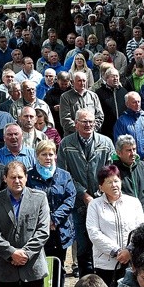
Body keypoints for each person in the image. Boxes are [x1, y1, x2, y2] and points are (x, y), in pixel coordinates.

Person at [58, 109, 115, 278]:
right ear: (76, 124)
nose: (88, 125)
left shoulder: (105, 143)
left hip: (103, 201)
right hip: (78, 205)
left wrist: (100, 193)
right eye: (84, 121)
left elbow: (111, 172)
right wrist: (83, 194)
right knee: (83, 247)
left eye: (91, 121)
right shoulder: (66, 144)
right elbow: (63, 175)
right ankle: (86, 282)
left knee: (104, 243)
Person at [86, 165, 144, 287]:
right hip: (105, 263)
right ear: (101, 187)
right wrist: (117, 251)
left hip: (132, 261)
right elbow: (94, 233)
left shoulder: (133, 202)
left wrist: (129, 250)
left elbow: (141, 229)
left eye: (116, 181)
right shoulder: (94, 205)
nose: (114, 185)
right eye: (109, 182)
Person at [27, 140, 76, 282]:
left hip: (61, 229)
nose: (48, 158)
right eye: (44, 154)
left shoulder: (64, 175)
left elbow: (70, 199)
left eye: (51, 154)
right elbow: (28, 201)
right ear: (37, 156)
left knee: (58, 266)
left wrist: (54, 219)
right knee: (40, 266)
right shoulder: (29, 177)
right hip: (38, 229)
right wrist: (46, 220)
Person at [112, 134, 144, 218]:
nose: (133, 153)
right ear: (119, 153)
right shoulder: (113, 171)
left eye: (134, 149)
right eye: (128, 150)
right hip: (124, 217)